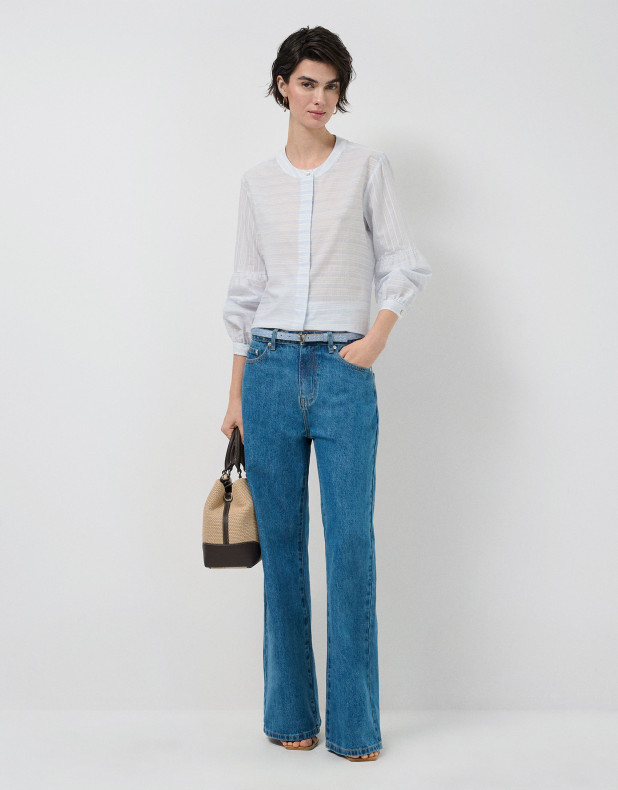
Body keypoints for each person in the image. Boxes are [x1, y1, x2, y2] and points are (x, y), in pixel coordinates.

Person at [221, 25, 432, 762]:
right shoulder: (256, 183)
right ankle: (291, 718)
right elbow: (245, 293)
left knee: (349, 548)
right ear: (283, 84)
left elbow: (403, 264)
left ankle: (354, 727)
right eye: (307, 83)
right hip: (269, 370)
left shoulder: (367, 168)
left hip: (344, 374)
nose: (319, 98)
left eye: (332, 86)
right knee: (281, 553)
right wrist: (235, 396)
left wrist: (374, 342)